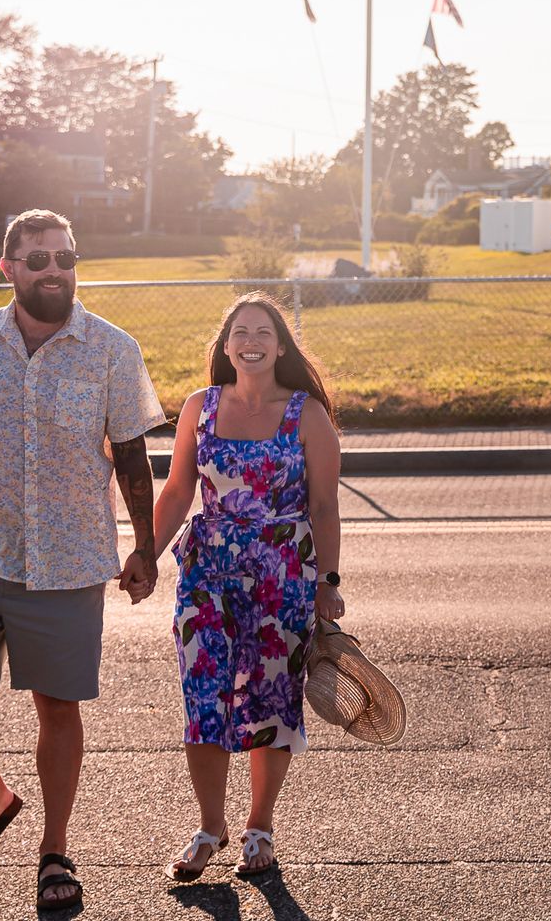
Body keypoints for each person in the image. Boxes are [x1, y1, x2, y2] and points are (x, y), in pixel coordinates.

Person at [0, 209, 168, 913]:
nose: (54, 268)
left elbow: (130, 452)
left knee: (57, 706)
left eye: (65, 256)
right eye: (38, 259)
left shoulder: (113, 348)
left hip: (68, 558)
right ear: (9, 269)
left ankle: (54, 848)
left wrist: (143, 547)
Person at [151, 290, 345, 880]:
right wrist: (143, 557)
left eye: (263, 333)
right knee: (202, 698)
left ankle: (259, 831)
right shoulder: (199, 408)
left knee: (270, 700)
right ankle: (210, 828)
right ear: (226, 345)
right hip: (207, 573)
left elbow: (324, 506)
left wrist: (327, 584)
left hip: (283, 575)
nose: (252, 342)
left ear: (280, 346)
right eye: (241, 332)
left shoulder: (307, 414)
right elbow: (179, 492)